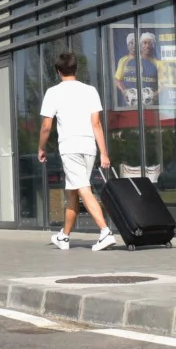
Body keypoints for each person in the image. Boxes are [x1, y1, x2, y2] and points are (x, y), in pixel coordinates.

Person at [37, 51, 117, 251]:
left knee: (82, 188)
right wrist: (104, 152)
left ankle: (105, 231)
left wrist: (41, 148)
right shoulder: (90, 91)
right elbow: (96, 124)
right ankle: (64, 236)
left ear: (57, 71)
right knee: (73, 191)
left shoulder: (53, 92)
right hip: (89, 147)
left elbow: (46, 126)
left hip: (70, 147)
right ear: (76, 68)